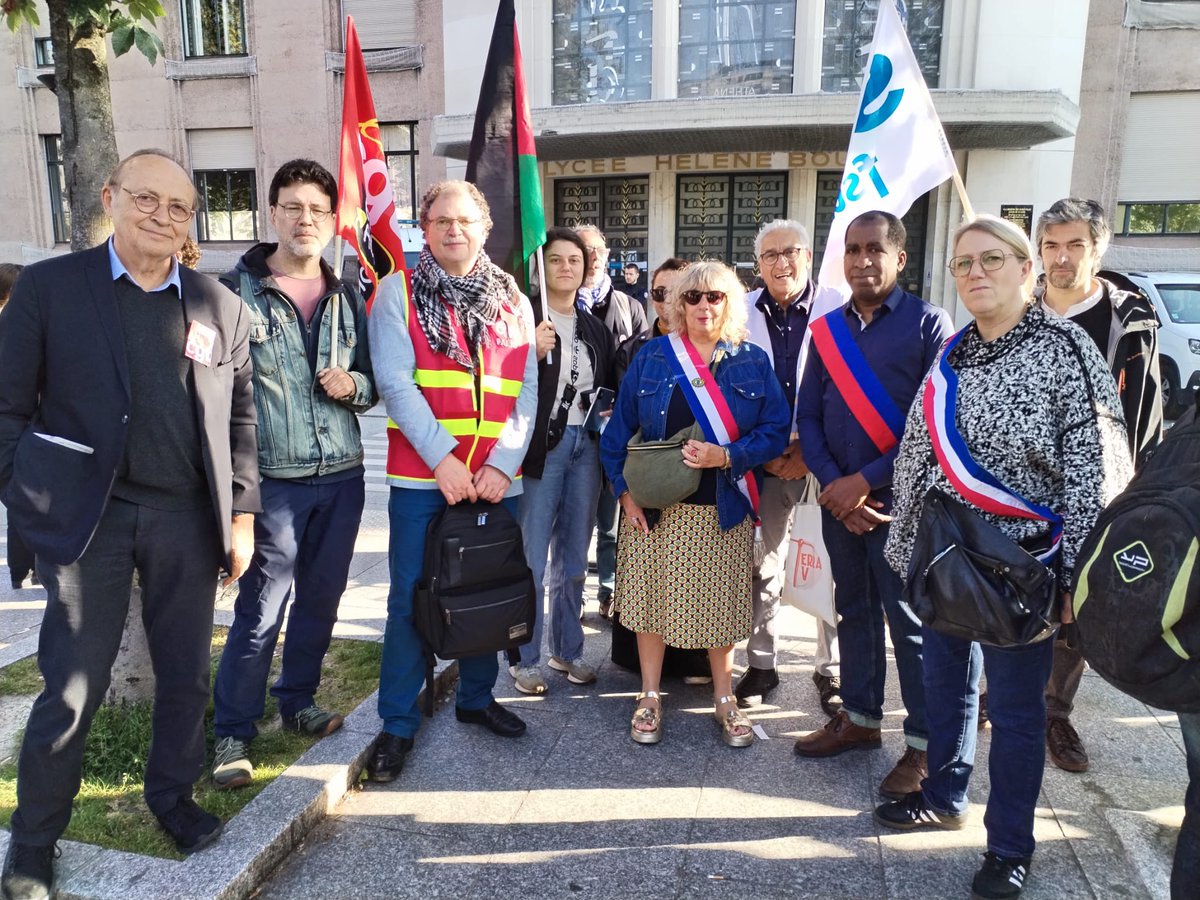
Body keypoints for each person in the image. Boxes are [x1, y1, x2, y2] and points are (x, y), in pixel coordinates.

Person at [0, 149, 260, 898]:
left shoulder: (221, 306)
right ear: (112, 196)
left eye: (179, 208)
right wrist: (31, 497)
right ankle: (34, 841)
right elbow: (6, 409)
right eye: (147, 198)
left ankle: (172, 798)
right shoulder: (51, 288)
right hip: (92, 521)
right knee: (73, 683)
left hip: (186, 516)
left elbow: (241, 423)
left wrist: (241, 514)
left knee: (187, 675)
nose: (161, 216)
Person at [875, 214, 1132, 900]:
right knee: (947, 685)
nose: (976, 273)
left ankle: (1010, 846)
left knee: (1018, 716)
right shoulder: (952, 355)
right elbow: (917, 454)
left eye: (993, 260)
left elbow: (1097, 468)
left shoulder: (1067, 351)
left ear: (1027, 270)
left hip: (1025, 569)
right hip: (949, 560)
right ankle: (944, 793)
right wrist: (906, 550)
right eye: (964, 264)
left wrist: (1078, 574)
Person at [210, 160, 376, 789]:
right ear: (272, 213)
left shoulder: (348, 293)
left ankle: (297, 700)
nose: (306, 220)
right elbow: (215, 395)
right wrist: (236, 496)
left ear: (333, 220)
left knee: (323, 597)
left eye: (318, 209)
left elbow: (374, 379)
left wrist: (353, 383)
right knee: (260, 608)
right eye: (293, 207)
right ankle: (233, 731)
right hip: (271, 482)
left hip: (343, 475)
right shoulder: (233, 292)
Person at [366, 180, 537, 783]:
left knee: (485, 591)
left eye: (465, 220)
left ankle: (476, 698)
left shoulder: (514, 299)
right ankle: (396, 724)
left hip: (494, 482)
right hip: (423, 479)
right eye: (440, 220)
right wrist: (443, 459)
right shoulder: (398, 292)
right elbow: (395, 381)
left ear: (484, 228)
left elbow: (525, 392)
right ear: (425, 229)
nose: (453, 230)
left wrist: (502, 465)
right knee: (410, 599)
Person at [793, 211, 953, 800]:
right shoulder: (827, 329)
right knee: (853, 610)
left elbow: (934, 424)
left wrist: (864, 481)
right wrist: (837, 486)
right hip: (841, 503)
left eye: (874, 250)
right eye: (853, 250)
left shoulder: (928, 325)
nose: (862, 260)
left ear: (900, 258)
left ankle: (923, 744)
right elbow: (808, 415)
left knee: (909, 623)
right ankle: (859, 719)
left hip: (904, 506)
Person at [600, 260, 790, 748]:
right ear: (677, 303)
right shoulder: (653, 357)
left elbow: (774, 430)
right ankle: (648, 694)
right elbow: (616, 434)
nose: (704, 306)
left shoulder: (750, 360)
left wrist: (727, 455)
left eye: (715, 297)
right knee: (650, 606)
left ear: (731, 303)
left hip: (723, 506)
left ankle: (725, 698)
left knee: (721, 607)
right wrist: (625, 495)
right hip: (656, 509)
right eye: (693, 297)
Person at [1035, 197, 1163, 774]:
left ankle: (1054, 712)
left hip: (1098, 488)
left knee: (1077, 606)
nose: (1061, 258)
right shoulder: (1020, 308)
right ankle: (1004, 691)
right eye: (1051, 245)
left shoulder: (1127, 320)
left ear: (1098, 248)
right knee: (1017, 588)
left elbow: (1145, 410)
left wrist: (1137, 488)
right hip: (1026, 487)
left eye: (1074, 245)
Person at [734, 219, 842, 715]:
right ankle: (761, 663)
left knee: (830, 564)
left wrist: (807, 449)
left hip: (828, 457)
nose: (781, 263)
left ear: (808, 254)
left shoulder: (836, 305)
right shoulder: (741, 311)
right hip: (765, 458)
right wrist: (770, 448)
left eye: (790, 252)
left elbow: (845, 389)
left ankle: (832, 670)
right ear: (758, 266)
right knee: (764, 562)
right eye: (769, 255)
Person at [507, 227, 614, 695]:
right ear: (541, 265)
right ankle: (522, 655)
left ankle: (567, 650)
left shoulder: (595, 326)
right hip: (539, 448)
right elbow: (496, 375)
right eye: (556, 259)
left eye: (574, 260)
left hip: (584, 447)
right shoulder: (522, 317)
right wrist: (528, 351)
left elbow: (607, 386)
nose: (566, 267)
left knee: (573, 558)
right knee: (530, 557)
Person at [576, 225, 648, 616]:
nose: (591, 257)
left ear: (607, 255)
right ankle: (573, 593)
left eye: (597, 250)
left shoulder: (629, 305)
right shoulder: (560, 303)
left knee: (610, 519)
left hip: (615, 428)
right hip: (572, 429)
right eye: (582, 251)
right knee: (574, 521)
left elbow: (638, 364)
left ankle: (608, 590)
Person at [0, 263, 36, 591]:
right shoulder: (14, 325)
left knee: (21, 501)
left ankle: (21, 570)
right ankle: (25, 568)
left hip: (20, 424)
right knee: (24, 499)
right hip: (15, 425)